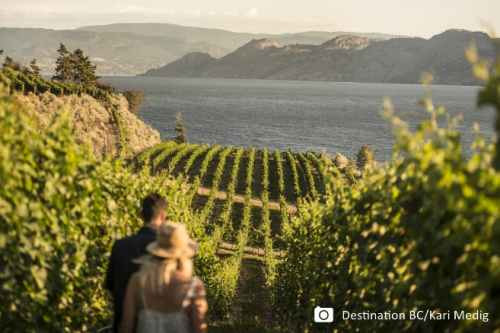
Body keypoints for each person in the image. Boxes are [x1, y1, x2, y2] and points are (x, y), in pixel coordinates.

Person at [119, 222, 207, 333]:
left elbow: (125, 327)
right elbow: (199, 330)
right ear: (184, 254)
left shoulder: (138, 281)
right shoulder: (193, 287)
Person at [105, 193, 168, 332]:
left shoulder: (121, 245)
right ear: (163, 216)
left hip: (123, 324)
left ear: (141, 215)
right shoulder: (169, 249)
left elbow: (111, 287)